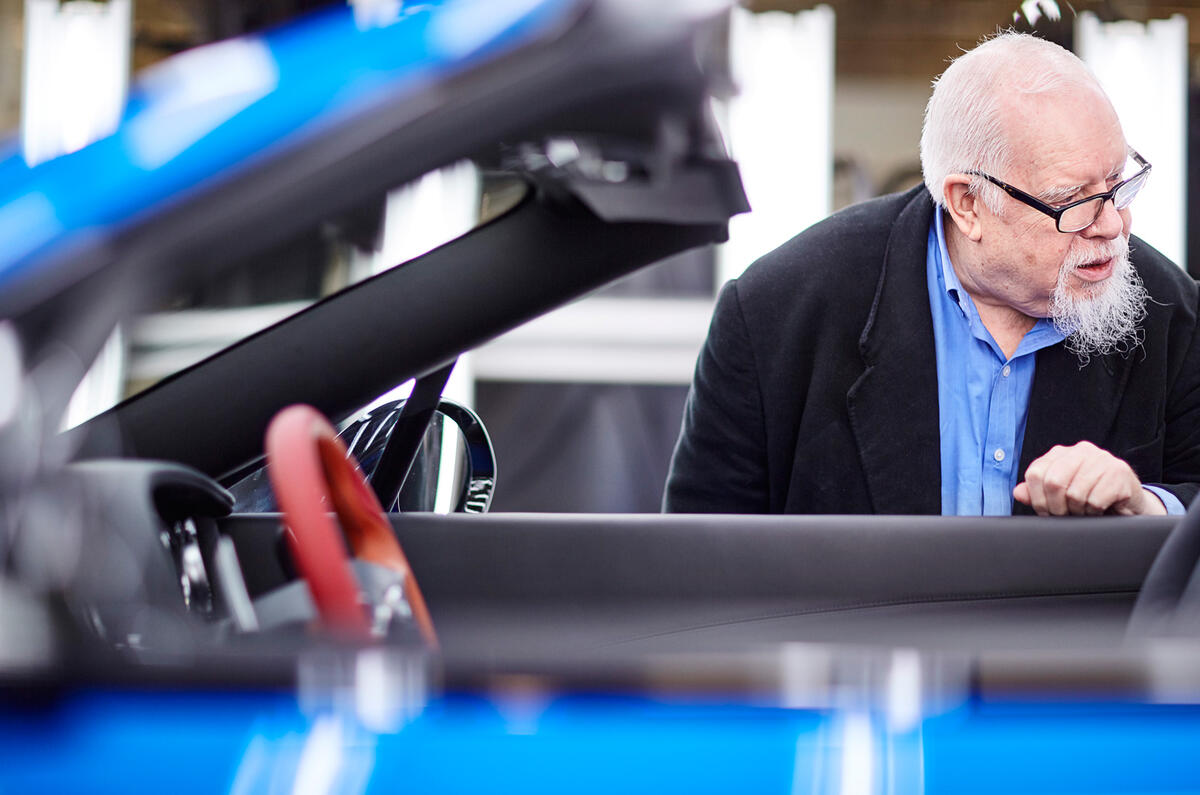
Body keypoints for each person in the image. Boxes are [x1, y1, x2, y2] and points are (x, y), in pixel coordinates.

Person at [664, 32, 1200, 516]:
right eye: (1071, 201)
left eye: (1116, 184)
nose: (1112, 225)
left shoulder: (1176, 314)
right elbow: (697, 565)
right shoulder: (775, 314)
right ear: (967, 204)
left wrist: (1148, 508)